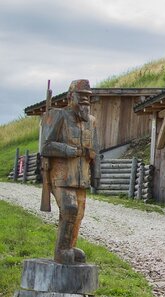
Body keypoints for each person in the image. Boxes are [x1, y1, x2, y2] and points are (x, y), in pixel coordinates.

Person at [41, 79, 100, 264]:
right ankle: (62, 250)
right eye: (81, 96)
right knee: (69, 209)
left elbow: (95, 152)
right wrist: (68, 150)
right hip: (62, 176)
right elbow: (46, 146)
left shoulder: (91, 122)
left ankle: (70, 246)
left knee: (79, 214)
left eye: (88, 97)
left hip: (81, 177)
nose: (85, 100)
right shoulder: (60, 116)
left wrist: (96, 175)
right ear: (70, 96)